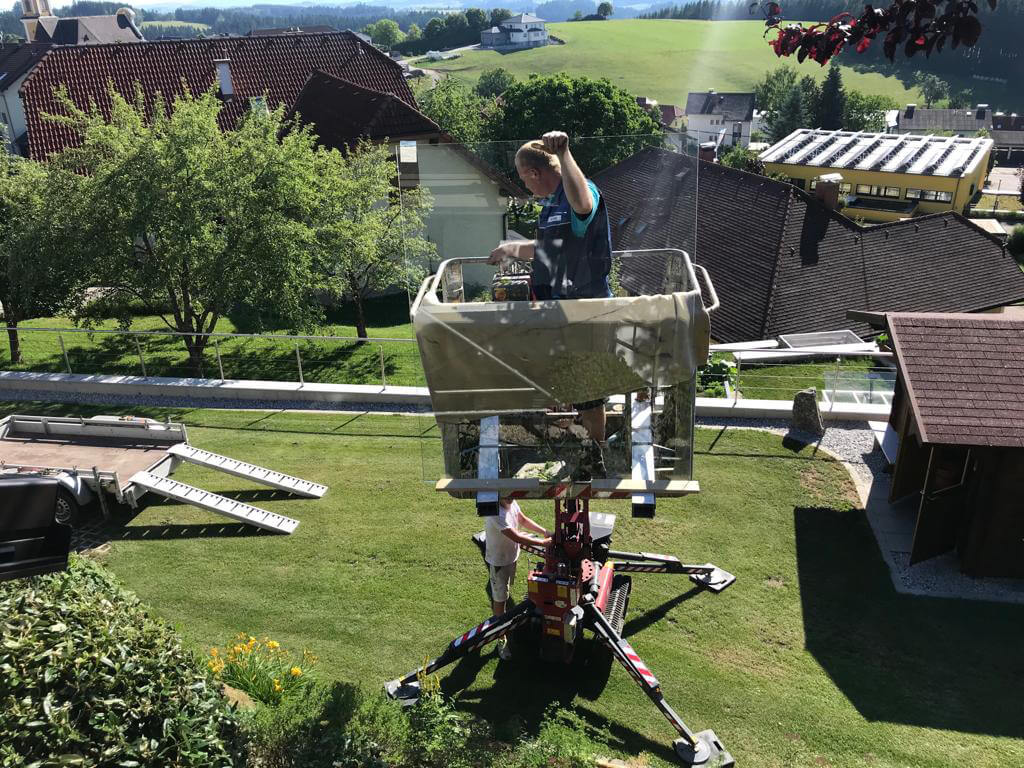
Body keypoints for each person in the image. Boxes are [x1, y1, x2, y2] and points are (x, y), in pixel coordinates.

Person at [487, 131, 613, 472]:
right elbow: (553, 248)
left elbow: (584, 204)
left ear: (533, 173)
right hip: (559, 307)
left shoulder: (576, 193)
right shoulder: (551, 204)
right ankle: (575, 441)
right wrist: (513, 249)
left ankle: (597, 453)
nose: (526, 188)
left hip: (585, 309)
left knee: (589, 388)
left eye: (524, 180)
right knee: (569, 383)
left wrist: (566, 153)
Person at [486, 496, 551, 660]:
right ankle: (501, 638)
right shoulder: (493, 512)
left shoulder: (509, 501)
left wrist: (544, 532)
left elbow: (521, 518)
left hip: (510, 557)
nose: (512, 497)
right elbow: (516, 537)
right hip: (499, 561)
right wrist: (544, 543)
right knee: (500, 599)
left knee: (506, 593)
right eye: (509, 495)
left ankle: (503, 621)